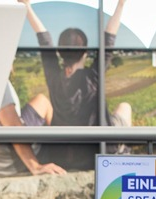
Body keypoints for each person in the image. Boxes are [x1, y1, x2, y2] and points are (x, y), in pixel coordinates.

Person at [19, 0, 132, 169]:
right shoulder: (93, 76)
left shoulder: (55, 78)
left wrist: (26, 7)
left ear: (59, 53)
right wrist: (121, 5)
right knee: (124, 107)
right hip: (99, 152)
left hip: (64, 156)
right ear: (85, 52)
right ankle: (123, 153)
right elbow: (109, 38)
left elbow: (44, 39)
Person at [0, 80, 66, 177]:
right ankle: (63, 155)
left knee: (39, 101)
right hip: (13, 160)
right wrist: (35, 166)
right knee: (42, 101)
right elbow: (12, 126)